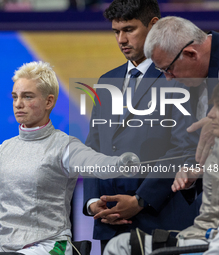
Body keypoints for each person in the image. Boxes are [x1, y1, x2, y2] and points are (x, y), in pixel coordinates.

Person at [0, 61, 138, 255]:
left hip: (50, 246)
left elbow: (95, 163)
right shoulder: (4, 150)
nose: (18, 104)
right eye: (15, 97)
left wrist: (120, 164)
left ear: (49, 101)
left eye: (28, 96)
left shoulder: (64, 146)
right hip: (5, 247)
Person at [83, 1, 200, 253]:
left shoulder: (177, 76)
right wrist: (94, 203)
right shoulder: (107, 80)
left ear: (154, 26)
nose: (121, 39)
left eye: (129, 29)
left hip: (161, 222)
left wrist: (140, 200)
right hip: (110, 223)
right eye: (116, 32)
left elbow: (185, 149)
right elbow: (92, 148)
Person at [104, 83, 219, 255]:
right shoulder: (215, 153)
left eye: (218, 106)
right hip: (207, 239)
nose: (210, 114)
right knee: (119, 245)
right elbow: (208, 218)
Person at [144, 16, 218, 169]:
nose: (169, 78)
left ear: (191, 54)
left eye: (168, 69)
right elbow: (193, 147)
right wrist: (190, 169)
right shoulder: (193, 78)